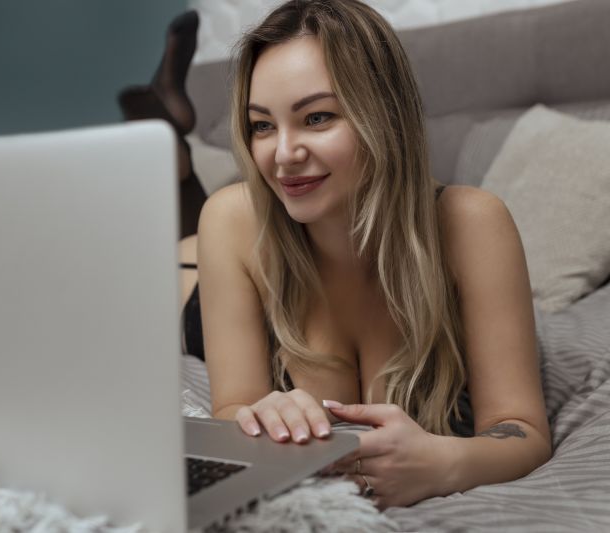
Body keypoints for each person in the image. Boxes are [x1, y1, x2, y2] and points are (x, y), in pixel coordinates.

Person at [122, 0, 551, 510]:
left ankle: (175, 141)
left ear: (384, 115)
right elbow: (233, 405)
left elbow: (521, 430)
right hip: (218, 271)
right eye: (261, 125)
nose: (283, 154)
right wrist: (259, 414)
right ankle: (175, 150)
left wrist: (445, 462)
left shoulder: (473, 225)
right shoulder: (232, 220)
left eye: (316, 117)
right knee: (158, 264)